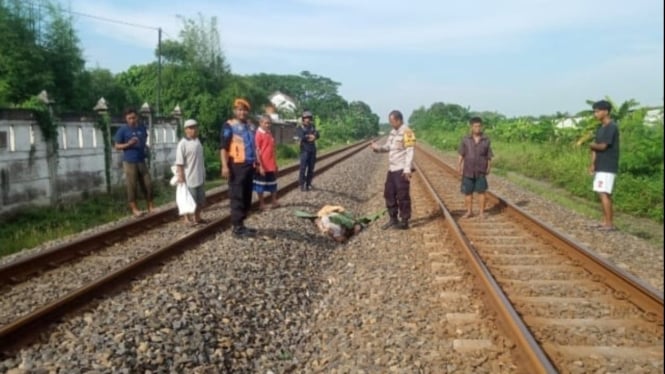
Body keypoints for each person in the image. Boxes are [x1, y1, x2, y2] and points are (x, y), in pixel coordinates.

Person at [370, 110, 415, 230]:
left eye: (392, 121)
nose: (391, 123)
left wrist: (407, 169)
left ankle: (404, 220)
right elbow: (388, 147)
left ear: (399, 120)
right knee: (388, 193)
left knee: (403, 195)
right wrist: (377, 148)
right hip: (392, 169)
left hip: (401, 169)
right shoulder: (393, 132)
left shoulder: (407, 132)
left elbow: (410, 151)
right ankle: (393, 219)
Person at [220, 98, 258, 237]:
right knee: (237, 196)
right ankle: (237, 228)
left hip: (249, 165)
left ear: (247, 111)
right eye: (239, 109)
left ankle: (242, 224)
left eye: (244, 110)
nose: (242, 112)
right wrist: (224, 166)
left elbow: (255, 147)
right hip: (236, 166)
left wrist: (258, 164)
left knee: (247, 196)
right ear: (235, 111)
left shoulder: (250, 126)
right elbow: (223, 148)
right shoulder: (229, 126)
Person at [114, 107, 155, 217]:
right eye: (129, 118)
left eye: (134, 117)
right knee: (132, 185)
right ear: (126, 119)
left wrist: (145, 148)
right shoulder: (123, 130)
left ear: (137, 117)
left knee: (148, 184)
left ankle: (150, 206)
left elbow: (145, 139)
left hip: (141, 160)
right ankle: (135, 209)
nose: (132, 120)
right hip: (129, 161)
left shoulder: (142, 128)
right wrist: (128, 144)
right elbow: (117, 146)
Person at [588, 100, 620, 231]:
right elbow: (596, 149)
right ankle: (604, 221)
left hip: (608, 165)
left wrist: (589, 145)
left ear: (605, 111)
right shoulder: (600, 128)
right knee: (601, 193)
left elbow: (602, 146)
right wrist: (593, 164)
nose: (595, 114)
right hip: (600, 165)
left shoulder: (612, 127)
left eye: (597, 111)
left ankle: (609, 224)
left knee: (605, 193)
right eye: (594, 111)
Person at [457, 117, 493, 219]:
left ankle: (481, 213)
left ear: (481, 127)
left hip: (481, 170)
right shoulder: (465, 139)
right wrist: (459, 165)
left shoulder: (486, 140)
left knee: (482, 192)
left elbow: (489, 155)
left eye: (479, 126)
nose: (477, 128)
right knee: (468, 192)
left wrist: (489, 167)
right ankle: (469, 212)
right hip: (468, 170)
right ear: (471, 127)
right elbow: (461, 154)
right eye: (475, 126)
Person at [175, 119, 206, 225]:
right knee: (189, 199)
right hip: (189, 177)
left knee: (200, 200)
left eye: (195, 127)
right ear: (186, 130)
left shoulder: (198, 141)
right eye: (191, 128)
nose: (193, 130)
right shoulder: (182, 144)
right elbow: (179, 162)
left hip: (200, 175)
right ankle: (187, 219)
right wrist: (181, 176)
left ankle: (197, 217)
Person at [254, 115, 280, 210]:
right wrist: (260, 165)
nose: (268, 125)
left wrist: (275, 164)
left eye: (269, 123)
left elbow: (272, 150)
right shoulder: (258, 134)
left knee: (273, 183)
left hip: (270, 164)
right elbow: (257, 150)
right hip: (262, 164)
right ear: (260, 123)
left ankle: (274, 201)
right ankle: (262, 204)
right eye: (266, 123)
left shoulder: (269, 133)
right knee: (260, 185)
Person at [296, 110, 319, 191]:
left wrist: (314, 136)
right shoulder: (300, 127)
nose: (307, 119)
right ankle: (301, 184)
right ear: (303, 119)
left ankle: (308, 184)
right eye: (306, 118)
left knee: (311, 168)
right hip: (304, 150)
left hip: (312, 150)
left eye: (309, 118)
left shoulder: (312, 126)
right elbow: (301, 136)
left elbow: (317, 134)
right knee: (303, 168)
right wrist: (310, 136)